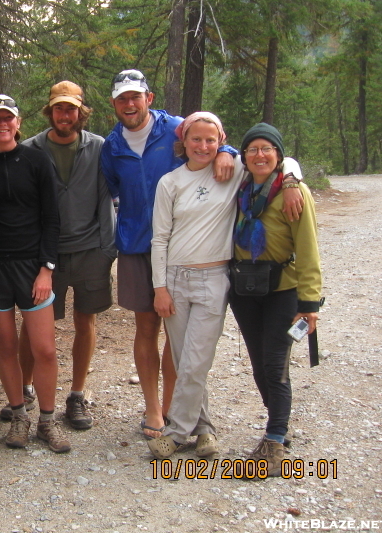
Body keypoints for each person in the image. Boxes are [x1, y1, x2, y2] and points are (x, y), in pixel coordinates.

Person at [146, 113, 303, 459]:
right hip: (174, 278)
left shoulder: (234, 171)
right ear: (183, 142)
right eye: (196, 139)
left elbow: (277, 158)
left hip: (215, 278)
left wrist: (291, 180)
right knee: (184, 357)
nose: (203, 146)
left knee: (196, 361)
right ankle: (203, 430)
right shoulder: (170, 183)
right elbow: (159, 238)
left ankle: (174, 432)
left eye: (210, 140)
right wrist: (160, 288)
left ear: (221, 141)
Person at [99, 69, 238, 439]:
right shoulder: (111, 146)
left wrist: (225, 150)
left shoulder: (176, 129)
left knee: (178, 336)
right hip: (134, 246)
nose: (130, 104)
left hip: (179, 251)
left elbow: (207, 141)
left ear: (150, 97)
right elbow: (114, 189)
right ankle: (152, 408)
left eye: (136, 96)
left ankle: (176, 408)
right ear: (113, 104)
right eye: (122, 99)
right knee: (146, 328)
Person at [12, 81, 116, 430]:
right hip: (44, 257)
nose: (65, 115)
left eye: (71, 109)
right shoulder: (30, 149)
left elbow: (107, 199)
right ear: (50, 110)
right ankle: (26, 390)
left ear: (80, 112)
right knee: (34, 326)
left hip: (89, 252)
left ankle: (76, 395)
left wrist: (106, 249)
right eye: (59, 108)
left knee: (85, 321)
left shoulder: (100, 148)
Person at [0, 94, 71, 453]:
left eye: (8, 118)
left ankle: (47, 420)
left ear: (17, 123)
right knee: (7, 346)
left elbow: (51, 218)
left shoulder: (37, 162)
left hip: (32, 269)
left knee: (44, 349)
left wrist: (46, 269)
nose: (2, 124)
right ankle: (18, 415)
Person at [229, 123, 322, 477]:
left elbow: (309, 250)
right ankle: (277, 427)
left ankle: (275, 439)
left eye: (267, 148)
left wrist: (310, 304)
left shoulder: (293, 193)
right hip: (245, 291)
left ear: (279, 155)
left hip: (284, 290)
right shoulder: (239, 189)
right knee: (258, 365)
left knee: (274, 365)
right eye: (252, 149)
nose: (259, 155)